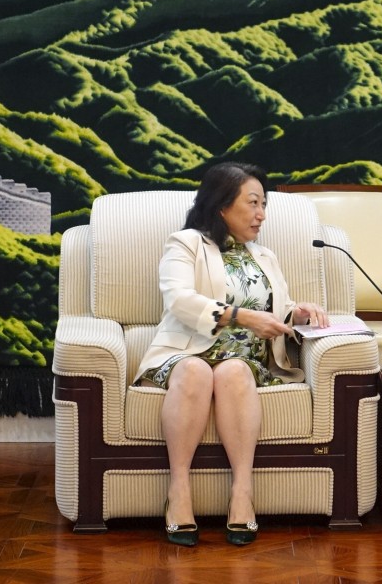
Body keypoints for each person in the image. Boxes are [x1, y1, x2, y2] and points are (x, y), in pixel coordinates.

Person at [133, 162, 330, 547]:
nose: (262, 214)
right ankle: (179, 491)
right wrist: (240, 316)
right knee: (194, 371)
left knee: (234, 372)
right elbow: (179, 300)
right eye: (253, 203)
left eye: (264, 204)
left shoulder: (264, 256)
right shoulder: (185, 243)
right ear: (222, 206)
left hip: (247, 359)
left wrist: (297, 313)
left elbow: (277, 309)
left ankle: (242, 492)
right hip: (185, 351)